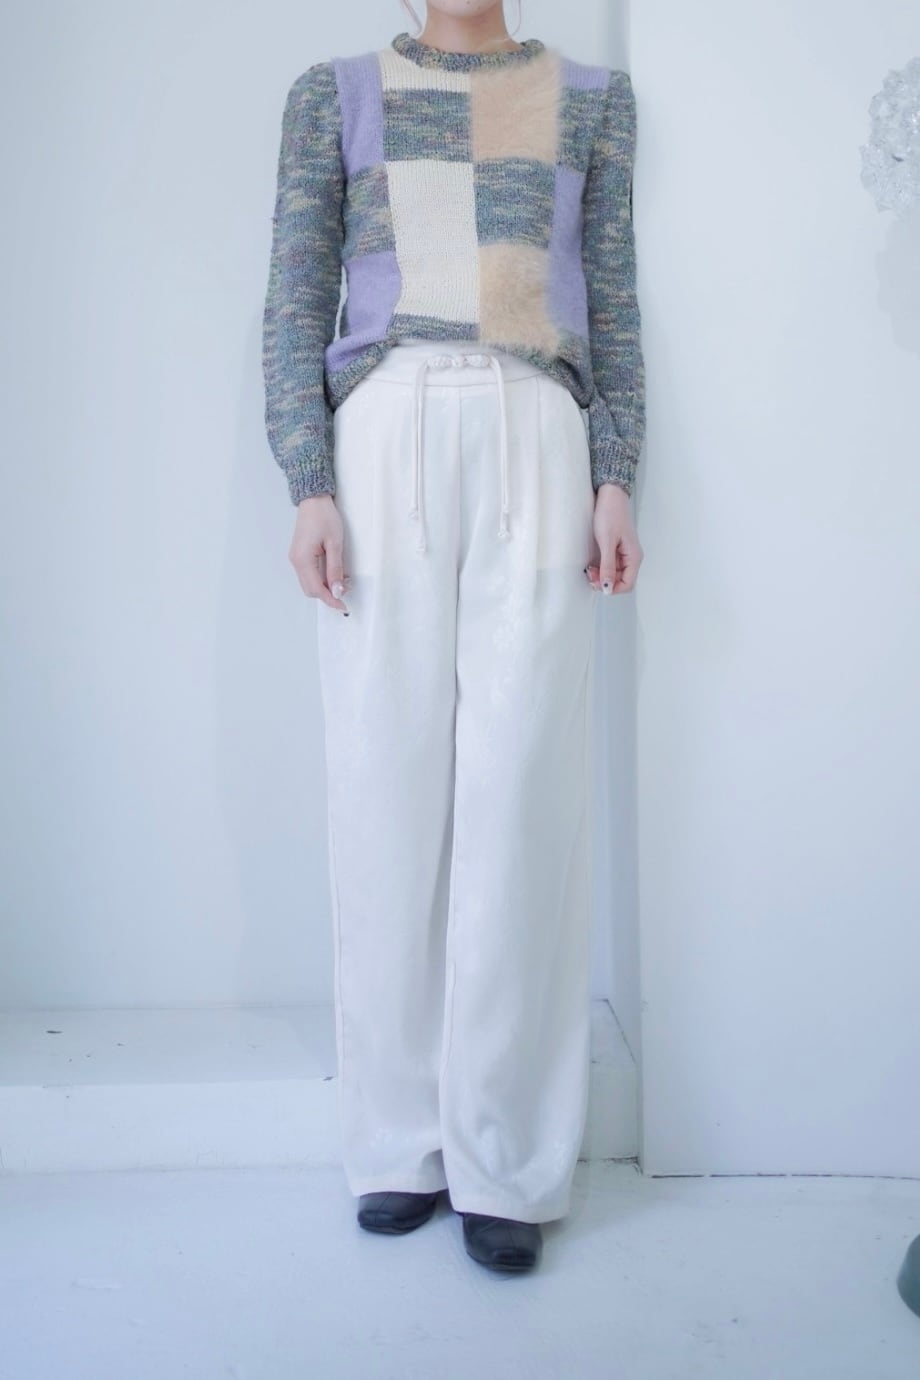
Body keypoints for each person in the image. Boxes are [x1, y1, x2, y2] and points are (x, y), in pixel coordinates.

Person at [261, 0, 646, 1274]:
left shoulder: (589, 100)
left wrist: (615, 472)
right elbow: (293, 301)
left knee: (520, 799)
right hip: (386, 439)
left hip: (538, 431)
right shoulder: (334, 94)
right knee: (382, 793)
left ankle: (505, 1159)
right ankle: (395, 1142)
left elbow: (614, 305)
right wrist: (308, 482)